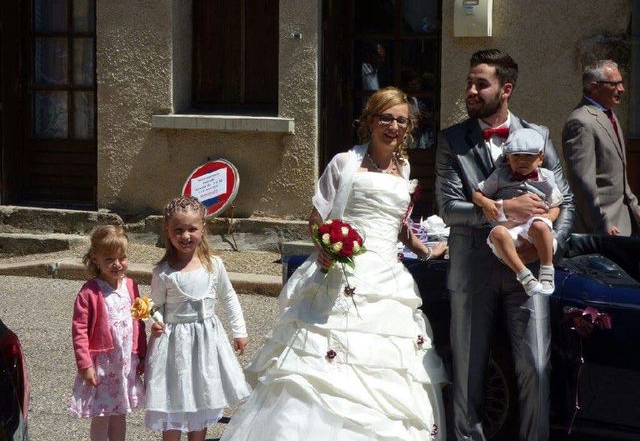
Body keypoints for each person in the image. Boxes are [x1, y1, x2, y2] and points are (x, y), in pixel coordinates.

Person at [221, 86, 448, 440]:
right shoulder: (345, 163)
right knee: (320, 365)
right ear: (371, 120)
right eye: (386, 118)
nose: (394, 126)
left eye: (401, 120)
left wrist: (424, 249)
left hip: (388, 279)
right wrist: (324, 246)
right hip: (344, 271)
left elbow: (397, 224)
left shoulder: (404, 168)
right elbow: (317, 218)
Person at [435, 49, 575, 441]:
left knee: (536, 366)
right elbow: (448, 208)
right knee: (468, 374)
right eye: (469, 83)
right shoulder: (452, 141)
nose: (471, 90)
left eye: (482, 83)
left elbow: (565, 202)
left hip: (528, 270)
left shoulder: (540, 135)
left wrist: (543, 245)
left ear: (506, 89)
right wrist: (503, 209)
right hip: (473, 270)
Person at [144, 196, 250, 441]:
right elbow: (153, 304)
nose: (185, 235)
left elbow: (229, 297)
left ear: (203, 229)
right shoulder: (163, 272)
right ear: (168, 232)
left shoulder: (214, 265)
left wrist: (239, 331)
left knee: (201, 396)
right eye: (178, 230)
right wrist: (155, 321)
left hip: (205, 343)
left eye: (192, 229)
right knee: (172, 398)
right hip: (173, 345)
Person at [70, 225, 146, 441]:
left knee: (120, 411)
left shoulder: (130, 286)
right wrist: (84, 365)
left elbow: (138, 323)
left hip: (124, 361)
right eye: (109, 259)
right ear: (95, 258)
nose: (117, 264)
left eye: (122, 258)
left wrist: (141, 353)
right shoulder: (89, 292)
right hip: (102, 364)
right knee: (102, 412)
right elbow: (80, 331)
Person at [472, 128, 564, 296]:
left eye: (529, 156)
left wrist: (548, 217)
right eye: (516, 156)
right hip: (508, 228)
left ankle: (547, 270)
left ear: (541, 158)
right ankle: (524, 275)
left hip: (534, 228)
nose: (522, 160)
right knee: (497, 233)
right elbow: (477, 194)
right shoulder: (500, 175)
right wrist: (487, 203)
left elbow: (556, 204)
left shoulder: (547, 178)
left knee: (541, 226)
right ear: (508, 158)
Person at [562, 59, 640, 236]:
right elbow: (582, 183)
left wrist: (635, 208)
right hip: (603, 228)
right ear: (594, 86)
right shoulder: (581, 122)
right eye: (614, 84)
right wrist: (600, 224)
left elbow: (617, 177)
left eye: (621, 82)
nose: (621, 89)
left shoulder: (608, 114)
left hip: (625, 222)